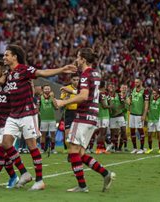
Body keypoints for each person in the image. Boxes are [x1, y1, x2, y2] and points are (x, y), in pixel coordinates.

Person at [0, 44, 76, 190]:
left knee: (32, 146)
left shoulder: (24, 70)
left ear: (14, 56)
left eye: (7, 55)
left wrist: (62, 69)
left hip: (27, 113)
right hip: (13, 115)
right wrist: (3, 76)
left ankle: (39, 180)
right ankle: (24, 173)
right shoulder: (9, 73)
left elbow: (43, 73)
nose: (4, 57)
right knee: (5, 144)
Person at [56, 48, 115, 193]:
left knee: (72, 151)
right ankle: (105, 173)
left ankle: (82, 186)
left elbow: (83, 96)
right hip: (92, 117)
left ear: (83, 59)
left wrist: (63, 102)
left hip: (82, 116)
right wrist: (72, 91)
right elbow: (88, 93)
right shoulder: (95, 73)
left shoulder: (84, 75)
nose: (76, 59)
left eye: (78, 57)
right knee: (81, 153)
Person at [0, 60, 22, 189]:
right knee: (5, 156)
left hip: (11, 122)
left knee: (1, 152)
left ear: (3, 71)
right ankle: (14, 177)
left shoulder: (11, 82)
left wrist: (6, 75)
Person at [127, 78, 149, 154]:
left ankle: (142, 148)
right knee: (132, 130)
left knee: (140, 131)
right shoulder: (133, 90)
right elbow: (129, 98)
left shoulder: (145, 91)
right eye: (135, 82)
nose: (136, 84)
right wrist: (129, 100)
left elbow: (146, 104)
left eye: (137, 82)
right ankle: (135, 148)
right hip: (132, 113)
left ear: (141, 82)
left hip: (139, 114)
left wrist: (144, 115)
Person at [60, 74, 80, 153]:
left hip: (79, 112)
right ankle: (69, 150)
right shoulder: (66, 88)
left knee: (78, 134)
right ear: (71, 80)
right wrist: (66, 98)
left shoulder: (82, 89)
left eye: (77, 80)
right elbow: (61, 102)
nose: (76, 81)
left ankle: (77, 150)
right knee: (67, 133)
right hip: (69, 112)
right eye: (74, 80)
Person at [38, 85, 58, 154]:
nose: (47, 90)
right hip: (43, 120)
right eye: (45, 89)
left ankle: (53, 149)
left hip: (52, 119)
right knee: (43, 135)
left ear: (50, 90)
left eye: (48, 89)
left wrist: (52, 98)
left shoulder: (53, 97)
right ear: (43, 90)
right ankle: (42, 149)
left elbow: (56, 107)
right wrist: (39, 113)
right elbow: (37, 108)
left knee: (53, 135)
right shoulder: (40, 97)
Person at [107, 82, 126, 152]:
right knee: (114, 133)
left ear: (115, 88)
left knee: (123, 131)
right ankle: (114, 148)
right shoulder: (107, 96)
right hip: (112, 117)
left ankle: (120, 147)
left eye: (113, 86)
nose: (111, 87)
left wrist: (119, 109)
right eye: (110, 86)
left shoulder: (119, 95)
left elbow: (123, 104)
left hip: (120, 115)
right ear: (108, 88)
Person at [95, 81, 111, 154]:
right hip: (103, 115)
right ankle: (99, 148)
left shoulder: (98, 93)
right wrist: (111, 106)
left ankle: (101, 148)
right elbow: (104, 106)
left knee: (102, 133)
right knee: (102, 133)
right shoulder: (101, 94)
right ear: (104, 85)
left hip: (100, 115)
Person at [146, 87, 160, 154]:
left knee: (159, 135)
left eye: (155, 93)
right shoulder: (151, 97)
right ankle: (150, 148)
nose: (153, 94)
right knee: (149, 135)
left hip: (158, 119)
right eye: (153, 93)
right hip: (151, 119)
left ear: (158, 93)